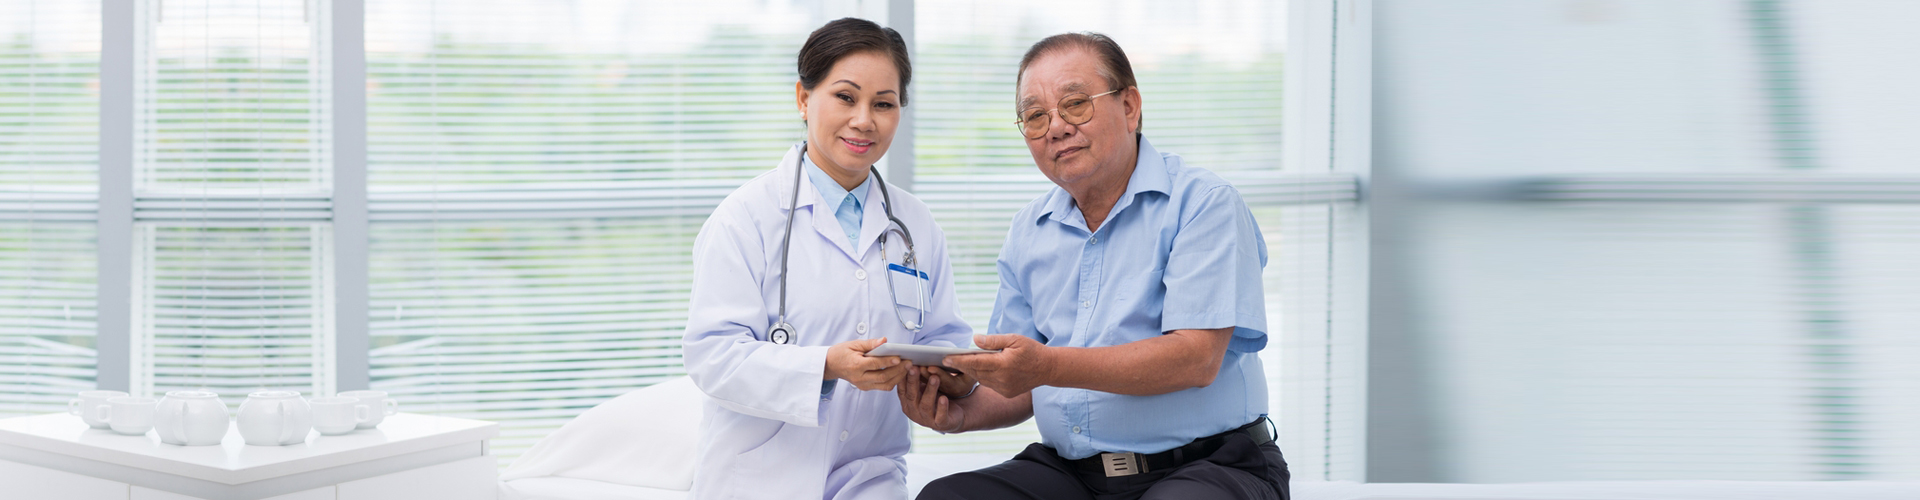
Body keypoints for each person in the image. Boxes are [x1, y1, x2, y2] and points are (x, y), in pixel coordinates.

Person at [898, 32, 1290, 500]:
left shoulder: (1204, 204)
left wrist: (1045, 365)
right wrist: (961, 413)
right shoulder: (1030, 230)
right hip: (1075, 474)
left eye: (1076, 104)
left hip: (1208, 464)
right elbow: (1023, 381)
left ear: (1130, 107)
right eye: (1035, 116)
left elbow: (1196, 358)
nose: (1056, 128)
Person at [682, 18, 975, 500]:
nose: (865, 119)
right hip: (759, 478)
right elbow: (712, 356)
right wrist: (827, 367)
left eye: (884, 103)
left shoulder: (915, 225)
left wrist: (955, 376)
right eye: (846, 97)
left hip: (870, 475)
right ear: (803, 98)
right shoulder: (745, 219)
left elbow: (943, 335)